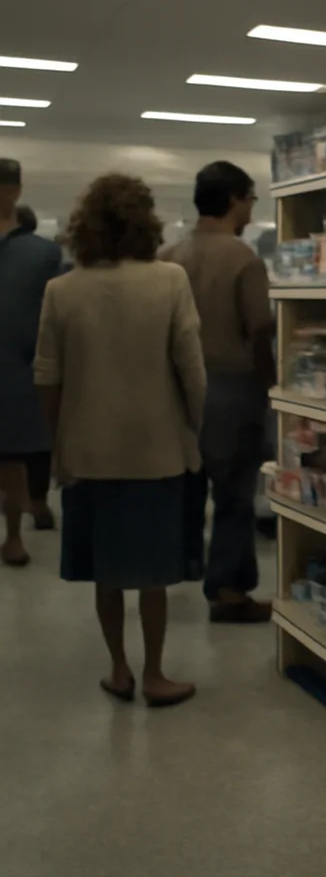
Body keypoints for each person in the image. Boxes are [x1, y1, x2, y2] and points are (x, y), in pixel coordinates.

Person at [34, 173, 207, 707]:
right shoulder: (170, 280)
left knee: (104, 573)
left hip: (89, 453)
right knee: (153, 574)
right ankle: (156, 673)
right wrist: (191, 430)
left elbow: (47, 380)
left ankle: (119, 670)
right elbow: (191, 370)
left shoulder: (62, 290)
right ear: (146, 222)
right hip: (157, 451)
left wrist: (59, 446)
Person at [164, 161, 275, 624]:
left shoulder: (168, 256)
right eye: (250, 198)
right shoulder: (243, 259)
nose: (251, 208)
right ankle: (228, 590)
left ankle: (180, 568)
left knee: (186, 487)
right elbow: (260, 329)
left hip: (177, 389)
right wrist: (273, 386)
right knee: (233, 495)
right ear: (233, 199)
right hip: (233, 388)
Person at [0, 163, 62, 566]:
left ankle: (13, 537)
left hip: (16, 370)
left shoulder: (42, 253)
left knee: (12, 459)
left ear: (16, 191)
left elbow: (51, 317)